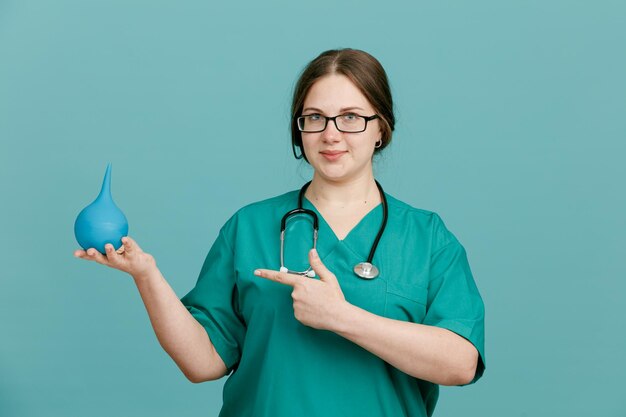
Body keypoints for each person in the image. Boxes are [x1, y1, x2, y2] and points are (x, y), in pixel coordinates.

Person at [74, 48, 485, 417]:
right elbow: (203, 364)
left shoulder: (427, 237)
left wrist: (343, 318)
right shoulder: (250, 227)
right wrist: (147, 276)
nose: (331, 134)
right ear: (298, 130)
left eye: (351, 118)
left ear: (381, 129)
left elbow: (460, 363)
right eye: (314, 118)